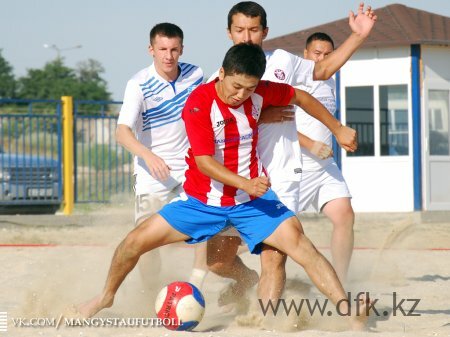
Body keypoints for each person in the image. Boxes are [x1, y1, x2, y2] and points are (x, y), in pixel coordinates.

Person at [78, 43, 369, 331]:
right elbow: (204, 163)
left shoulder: (260, 92)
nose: (241, 95)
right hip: (201, 202)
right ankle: (105, 297)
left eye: (250, 88)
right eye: (236, 86)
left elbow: (301, 97)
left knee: (301, 247)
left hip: (251, 202)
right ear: (221, 73)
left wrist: (337, 128)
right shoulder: (198, 103)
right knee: (134, 242)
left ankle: (346, 313)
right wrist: (247, 183)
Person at [205, 1, 377, 309]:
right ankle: (250, 286)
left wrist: (358, 37)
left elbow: (322, 70)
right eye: (240, 30)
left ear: (265, 32)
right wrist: (260, 115)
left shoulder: (282, 61)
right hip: (237, 180)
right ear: (228, 32)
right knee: (217, 262)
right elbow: (211, 132)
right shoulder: (215, 80)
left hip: (281, 175)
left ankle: (265, 319)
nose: (247, 37)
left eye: (254, 30)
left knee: (274, 256)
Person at [114, 22, 207, 291]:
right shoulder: (138, 84)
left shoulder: (195, 74)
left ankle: (196, 284)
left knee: (204, 222)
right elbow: (122, 133)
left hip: (189, 167)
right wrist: (149, 156)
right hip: (151, 172)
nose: (168, 55)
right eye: (162, 49)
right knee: (145, 243)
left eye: (174, 49)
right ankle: (150, 292)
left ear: (182, 49)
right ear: (151, 50)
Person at [295, 32, 354, 283]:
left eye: (328, 54)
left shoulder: (330, 80)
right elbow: (276, 126)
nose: (322, 58)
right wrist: (310, 145)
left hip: (325, 167)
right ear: (305, 55)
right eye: (317, 53)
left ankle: (339, 280)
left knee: (345, 215)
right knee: (274, 233)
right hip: (296, 168)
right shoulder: (295, 80)